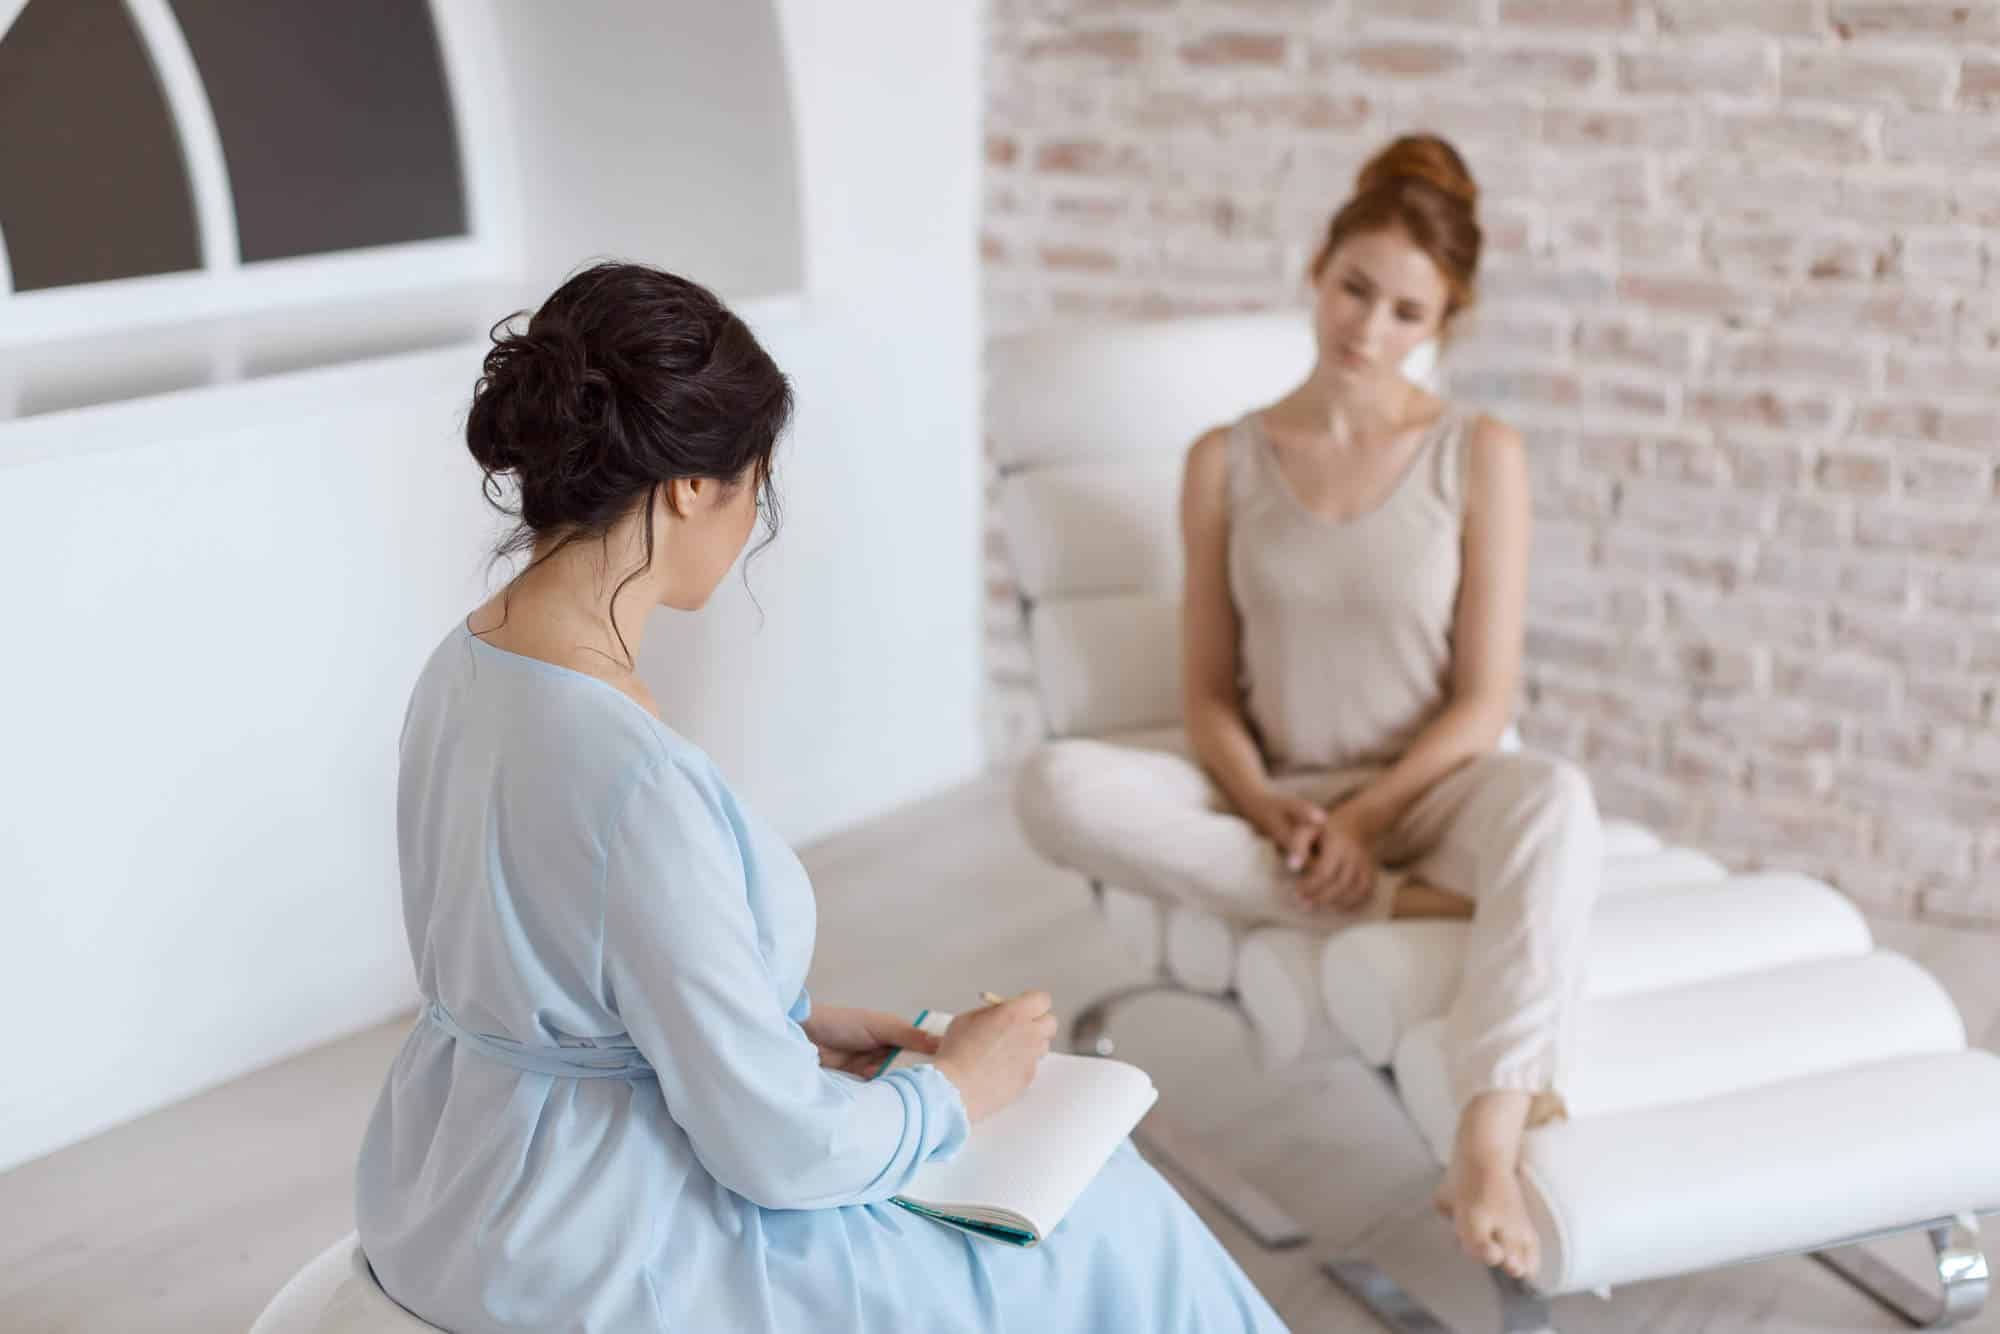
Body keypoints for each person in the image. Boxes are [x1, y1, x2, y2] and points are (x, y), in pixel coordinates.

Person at [353, 261, 1287, 1333]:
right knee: (1117, 1211)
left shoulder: (465, 664)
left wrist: (787, 1027)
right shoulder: (631, 773)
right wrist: (955, 1090)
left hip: (448, 1181)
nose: (753, 516)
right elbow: (779, 1151)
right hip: (591, 1240)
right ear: (690, 485)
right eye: (754, 479)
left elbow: (557, 972)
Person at [1013, 135, 1604, 1282]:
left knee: (1556, 801)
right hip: (1277, 803)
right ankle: (1400, 904)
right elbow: (1204, 694)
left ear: (1443, 319)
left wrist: (1370, 822)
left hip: (1426, 788)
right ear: (1317, 264)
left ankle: (1482, 1139)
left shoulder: (1479, 454)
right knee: (1055, 784)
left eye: (1404, 311)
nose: (1367, 329)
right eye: (1354, 289)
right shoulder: (1220, 460)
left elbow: (1483, 701)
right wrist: (1275, 810)